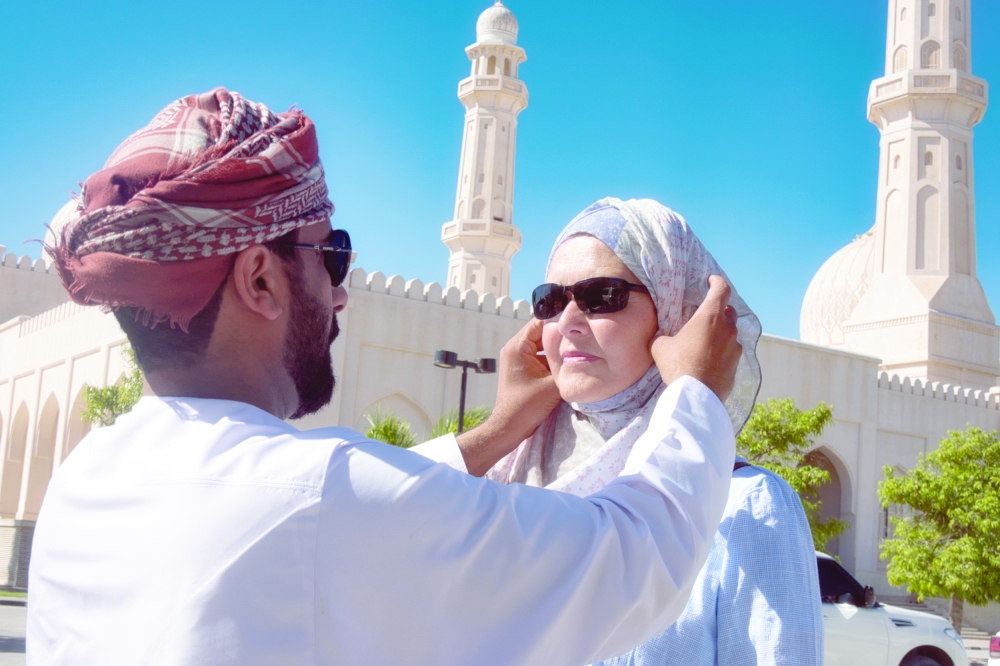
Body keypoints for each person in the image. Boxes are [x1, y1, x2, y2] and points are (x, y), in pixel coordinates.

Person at [27, 89, 743, 665]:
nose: (341, 292)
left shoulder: (85, 480)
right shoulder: (318, 499)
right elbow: (630, 561)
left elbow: (363, 505)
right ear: (259, 280)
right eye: (329, 255)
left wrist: (494, 434)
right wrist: (695, 394)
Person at [488, 198, 823, 665]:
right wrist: (499, 431)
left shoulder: (743, 506)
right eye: (551, 300)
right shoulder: (504, 479)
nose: (567, 322)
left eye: (601, 296)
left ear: (674, 315)